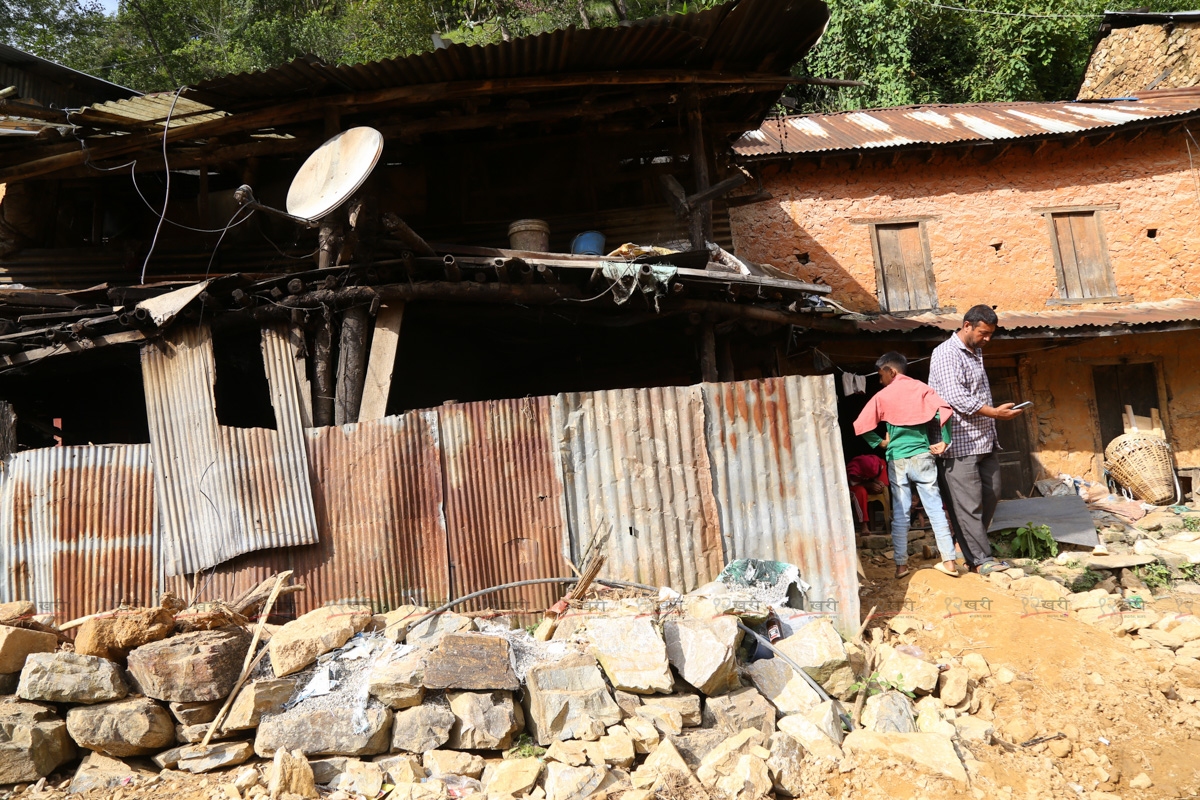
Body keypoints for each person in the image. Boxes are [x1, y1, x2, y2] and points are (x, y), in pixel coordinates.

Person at [928, 304, 1024, 576]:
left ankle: (965, 547)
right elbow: (954, 396)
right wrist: (994, 412)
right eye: (983, 333)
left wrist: (993, 417)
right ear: (967, 325)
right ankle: (981, 560)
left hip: (984, 439)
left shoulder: (977, 351)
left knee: (992, 494)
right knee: (968, 504)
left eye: (991, 334)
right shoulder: (945, 353)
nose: (987, 339)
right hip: (958, 442)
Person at [853, 352, 959, 579]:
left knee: (900, 513)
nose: (880, 380)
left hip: (898, 459)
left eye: (881, 375)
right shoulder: (920, 388)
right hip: (923, 455)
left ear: (891, 371)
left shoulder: (883, 395)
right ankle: (949, 562)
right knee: (934, 508)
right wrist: (945, 440)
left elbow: (860, 425)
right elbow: (945, 410)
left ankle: (901, 566)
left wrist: (879, 442)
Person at [846, 454, 888, 535]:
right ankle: (863, 525)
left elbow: (882, 484)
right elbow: (852, 484)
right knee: (860, 492)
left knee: (880, 490)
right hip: (855, 486)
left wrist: (877, 483)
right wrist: (869, 485)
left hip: (870, 482)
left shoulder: (879, 463)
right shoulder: (855, 468)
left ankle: (887, 525)